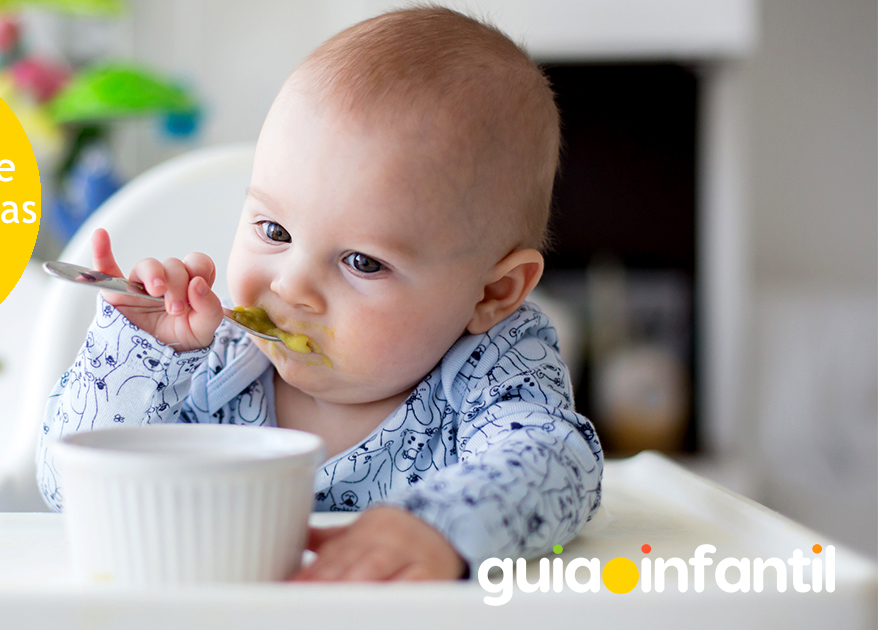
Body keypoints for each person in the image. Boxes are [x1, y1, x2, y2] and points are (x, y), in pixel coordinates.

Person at [37, 6, 602, 581]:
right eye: (274, 232)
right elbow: (69, 492)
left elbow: (558, 462)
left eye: (362, 262)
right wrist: (142, 351)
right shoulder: (211, 361)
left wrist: (441, 526)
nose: (289, 287)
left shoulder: (493, 365)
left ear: (494, 292)